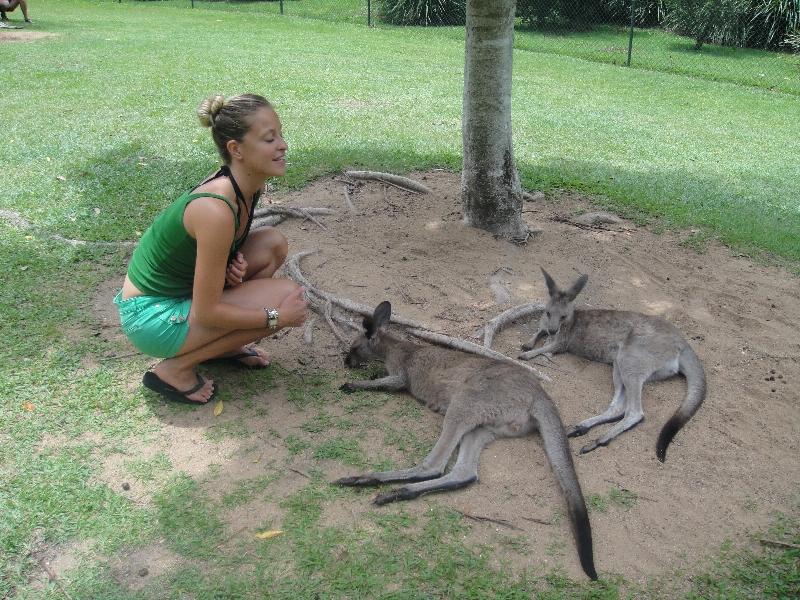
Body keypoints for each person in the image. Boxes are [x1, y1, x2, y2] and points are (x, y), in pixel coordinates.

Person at [114, 93, 308, 405]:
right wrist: (275, 317)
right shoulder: (216, 210)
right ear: (236, 150)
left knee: (272, 244)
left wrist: (233, 267)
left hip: (182, 294)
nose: (283, 145)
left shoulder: (247, 184)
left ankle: (224, 346)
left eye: (281, 134)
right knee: (284, 297)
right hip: (151, 318)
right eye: (270, 138)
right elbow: (207, 310)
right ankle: (175, 369)